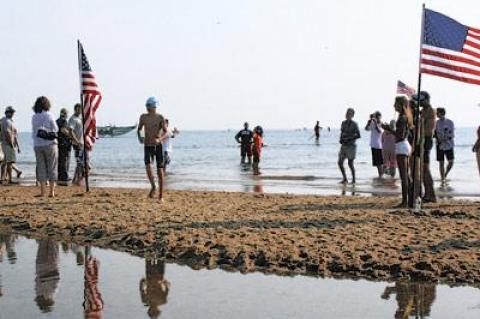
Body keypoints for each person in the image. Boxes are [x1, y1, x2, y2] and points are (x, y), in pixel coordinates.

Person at [137, 96, 168, 201]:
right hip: (147, 146)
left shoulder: (160, 117)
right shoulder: (143, 117)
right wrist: (140, 137)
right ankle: (153, 186)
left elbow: (166, 132)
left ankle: (161, 196)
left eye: (149, 106)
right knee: (148, 167)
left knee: (160, 171)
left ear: (154, 107)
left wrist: (160, 139)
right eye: (147, 106)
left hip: (157, 146)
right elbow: (139, 129)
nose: (147, 108)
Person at [389, 96, 414, 207]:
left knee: (404, 176)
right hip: (405, 146)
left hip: (401, 146)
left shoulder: (402, 118)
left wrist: (389, 129)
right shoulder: (405, 117)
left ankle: (405, 201)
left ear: (401, 105)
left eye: (396, 104)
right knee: (407, 176)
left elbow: (400, 135)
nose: (394, 106)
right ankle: (410, 199)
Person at [32, 96, 58, 197]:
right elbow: (56, 128)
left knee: (41, 167)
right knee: (52, 167)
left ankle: (43, 192)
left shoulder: (34, 117)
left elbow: (34, 131)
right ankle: (51, 192)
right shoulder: (49, 115)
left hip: (37, 144)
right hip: (50, 144)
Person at [418, 91, 437, 203]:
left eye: (422, 100)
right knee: (423, 169)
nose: (420, 102)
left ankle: (432, 194)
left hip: (426, 140)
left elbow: (428, 130)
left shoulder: (430, 111)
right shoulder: (422, 111)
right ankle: (427, 193)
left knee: (425, 168)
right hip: (423, 140)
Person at [338, 108, 361, 184]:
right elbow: (342, 132)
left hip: (351, 146)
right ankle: (345, 178)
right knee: (340, 162)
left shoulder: (354, 124)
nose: (347, 115)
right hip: (344, 145)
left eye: (349, 114)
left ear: (352, 115)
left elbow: (358, 135)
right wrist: (341, 139)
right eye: (347, 113)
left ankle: (354, 180)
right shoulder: (343, 123)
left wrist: (349, 138)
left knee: (350, 163)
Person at [0, 106, 22, 184]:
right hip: (8, 144)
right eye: (11, 112)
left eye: (13, 112)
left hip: (5, 144)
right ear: (7, 112)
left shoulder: (5, 120)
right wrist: (11, 144)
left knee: (4, 162)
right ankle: (9, 179)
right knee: (9, 162)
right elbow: (8, 133)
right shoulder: (7, 121)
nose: (13, 114)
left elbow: (13, 134)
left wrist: (17, 146)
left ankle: (2, 179)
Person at [434, 107, 455, 184]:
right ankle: (442, 178)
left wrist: (446, 138)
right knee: (441, 162)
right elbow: (434, 133)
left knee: (451, 162)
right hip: (439, 145)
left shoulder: (450, 122)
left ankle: (445, 174)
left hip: (449, 145)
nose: (436, 114)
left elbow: (452, 133)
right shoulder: (436, 123)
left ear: (442, 113)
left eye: (437, 113)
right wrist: (437, 138)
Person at [68, 104, 85, 186]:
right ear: (75, 109)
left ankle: (76, 179)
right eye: (78, 109)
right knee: (79, 162)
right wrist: (77, 141)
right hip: (76, 144)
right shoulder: (73, 119)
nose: (79, 111)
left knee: (81, 162)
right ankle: (76, 180)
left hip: (82, 144)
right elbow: (70, 131)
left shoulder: (80, 118)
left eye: (80, 110)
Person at [56, 108, 73, 186]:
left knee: (60, 160)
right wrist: (71, 136)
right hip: (64, 143)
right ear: (65, 114)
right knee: (65, 160)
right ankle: (65, 176)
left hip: (58, 142)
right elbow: (63, 130)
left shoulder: (57, 121)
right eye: (66, 113)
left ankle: (60, 176)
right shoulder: (64, 121)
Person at [365, 111, 384, 178]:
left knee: (379, 163)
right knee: (377, 163)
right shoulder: (372, 124)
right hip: (373, 145)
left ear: (380, 117)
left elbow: (379, 131)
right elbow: (366, 129)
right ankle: (381, 176)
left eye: (378, 117)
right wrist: (368, 123)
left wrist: (375, 124)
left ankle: (381, 176)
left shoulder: (382, 124)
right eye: (376, 117)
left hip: (379, 146)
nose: (377, 118)